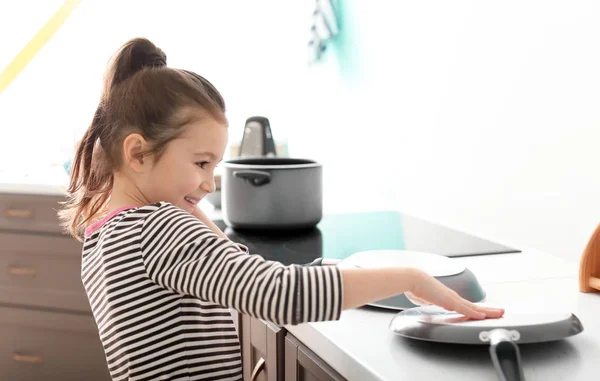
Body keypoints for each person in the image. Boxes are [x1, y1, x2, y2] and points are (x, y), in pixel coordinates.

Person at [59, 37, 504, 381]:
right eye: (200, 163)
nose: (208, 183)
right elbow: (282, 295)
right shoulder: (157, 229)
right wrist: (410, 278)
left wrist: (190, 205)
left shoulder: (104, 232)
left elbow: (230, 267)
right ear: (137, 154)